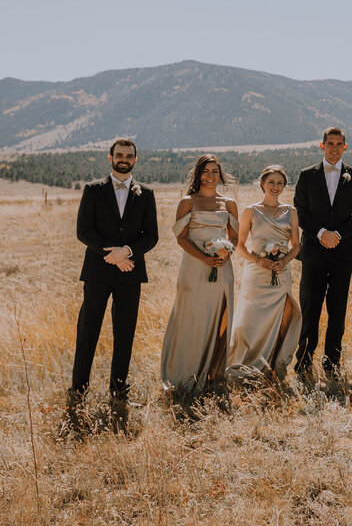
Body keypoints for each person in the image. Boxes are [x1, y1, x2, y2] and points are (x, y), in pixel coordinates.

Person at [70, 138, 159, 406]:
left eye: (129, 155)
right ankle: (78, 390)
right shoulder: (93, 190)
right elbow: (83, 231)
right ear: (110, 158)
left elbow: (151, 236)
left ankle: (119, 393)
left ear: (135, 159)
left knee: (125, 332)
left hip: (130, 272)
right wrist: (113, 256)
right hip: (98, 271)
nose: (124, 158)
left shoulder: (147, 193)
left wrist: (127, 252)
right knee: (88, 330)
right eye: (119, 154)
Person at [293, 127, 352, 378]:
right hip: (313, 253)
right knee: (310, 308)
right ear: (322, 146)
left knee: (338, 311)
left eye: (339, 144)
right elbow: (300, 212)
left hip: (342, 252)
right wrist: (321, 233)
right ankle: (303, 362)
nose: (334, 148)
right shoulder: (306, 175)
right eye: (330, 143)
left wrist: (338, 235)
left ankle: (332, 363)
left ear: (345, 147)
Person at [161, 154, 238, 392]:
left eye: (215, 171)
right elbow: (181, 238)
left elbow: (234, 235)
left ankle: (213, 373)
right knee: (191, 316)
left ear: (220, 175)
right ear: (198, 174)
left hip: (221, 267)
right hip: (194, 268)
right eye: (206, 171)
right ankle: (185, 373)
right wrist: (204, 257)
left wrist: (226, 253)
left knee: (218, 315)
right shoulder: (188, 202)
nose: (210, 176)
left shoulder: (229, 203)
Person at [227, 165, 301, 382]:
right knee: (251, 319)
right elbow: (239, 245)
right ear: (262, 184)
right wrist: (259, 260)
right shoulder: (251, 210)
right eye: (271, 182)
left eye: (280, 183)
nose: (275, 187)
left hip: (281, 272)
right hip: (256, 274)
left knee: (278, 319)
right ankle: (247, 365)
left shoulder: (291, 211)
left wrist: (285, 260)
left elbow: (296, 244)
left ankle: (273, 365)